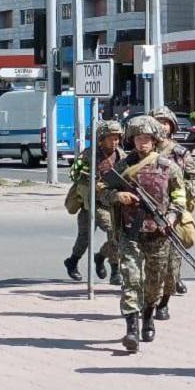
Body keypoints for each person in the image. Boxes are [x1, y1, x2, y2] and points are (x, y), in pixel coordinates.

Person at [102, 116, 187, 351]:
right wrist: (117, 196)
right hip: (130, 234)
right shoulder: (122, 166)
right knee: (131, 279)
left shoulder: (167, 166)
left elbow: (180, 197)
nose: (143, 143)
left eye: (147, 138)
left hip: (159, 235)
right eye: (138, 138)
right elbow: (103, 191)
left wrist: (171, 217)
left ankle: (148, 316)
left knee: (153, 284)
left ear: (155, 140)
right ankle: (131, 330)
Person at [149, 106, 195, 318]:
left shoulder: (179, 153)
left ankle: (164, 303)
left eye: (165, 122)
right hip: (146, 218)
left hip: (173, 214)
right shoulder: (141, 153)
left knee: (172, 267)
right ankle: (147, 307)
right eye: (157, 121)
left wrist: (177, 189)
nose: (162, 126)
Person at [64, 120, 126, 285]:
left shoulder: (122, 156)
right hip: (92, 203)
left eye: (117, 138)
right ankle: (72, 262)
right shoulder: (89, 154)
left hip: (113, 203)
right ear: (102, 139)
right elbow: (74, 174)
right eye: (111, 138)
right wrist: (90, 177)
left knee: (114, 233)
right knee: (84, 238)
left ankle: (113, 269)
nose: (114, 142)